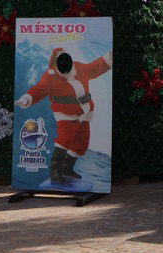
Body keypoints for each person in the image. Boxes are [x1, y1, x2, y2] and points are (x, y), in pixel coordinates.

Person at [15, 48, 112, 184]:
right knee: (64, 140)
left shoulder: (78, 67)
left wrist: (109, 57)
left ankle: (67, 168)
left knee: (82, 143)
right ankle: (54, 171)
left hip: (84, 112)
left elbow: (94, 68)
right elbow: (39, 90)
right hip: (65, 114)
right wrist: (26, 99)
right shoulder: (50, 76)